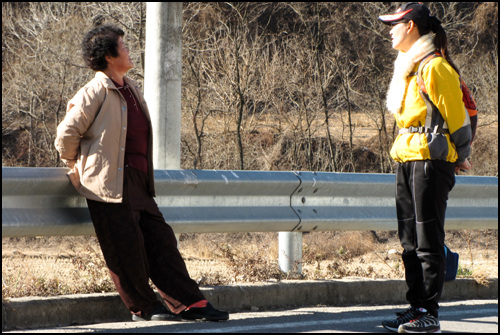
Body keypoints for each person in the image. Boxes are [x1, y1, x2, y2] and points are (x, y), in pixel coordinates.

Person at [55, 24, 229, 322]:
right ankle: (144, 307)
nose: (129, 50)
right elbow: (65, 135)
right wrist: (80, 169)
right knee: (125, 248)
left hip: (137, 181)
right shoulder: (95, 90)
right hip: (108, 184)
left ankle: (188, 302)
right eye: (123, 46)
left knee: (161, 240)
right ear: (109, 56)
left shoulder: (130, 87)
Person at [378, 3, 472, 333]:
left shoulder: (434, 67)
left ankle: (429, 312)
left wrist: (461, 153)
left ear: (413, 27)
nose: (389, 30)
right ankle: (415, 306)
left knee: (428, 241)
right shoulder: (409, 68)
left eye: (395, 24)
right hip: (407, 157)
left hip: (430, 162)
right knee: (409, 242)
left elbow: (458, 118)